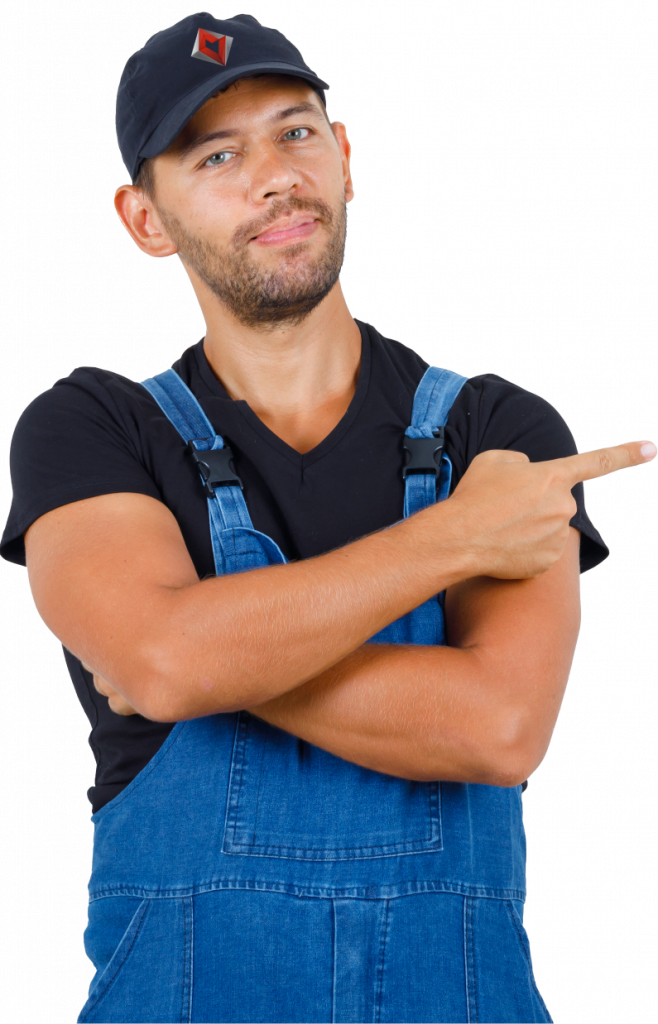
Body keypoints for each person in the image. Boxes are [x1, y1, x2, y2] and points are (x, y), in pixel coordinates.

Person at [2, 12, 655, 1023]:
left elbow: (498, 727)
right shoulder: (96, 425)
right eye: (217, 155)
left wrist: (201, 660)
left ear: (345, 159)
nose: (274, 176)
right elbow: (163, 663)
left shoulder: (497, 428)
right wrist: (455, 537)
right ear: (145, 221)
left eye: (295, 132)